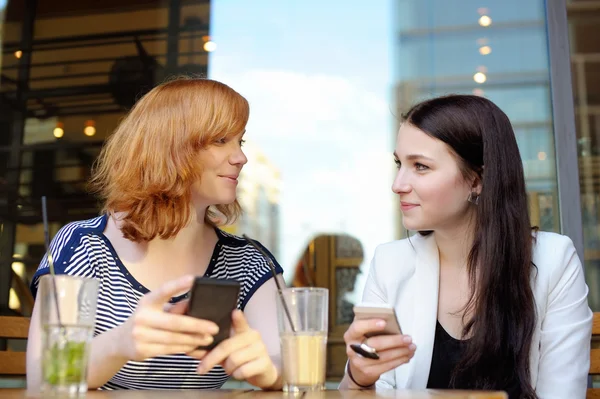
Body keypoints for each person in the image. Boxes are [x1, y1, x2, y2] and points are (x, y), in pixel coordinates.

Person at [26, 77, 284, 391]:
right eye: (220, 140)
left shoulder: (247, 260)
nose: (240, 157)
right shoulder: (84, 245)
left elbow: (289, 365)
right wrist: (119, 343)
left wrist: (270, 372)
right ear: (171, 147)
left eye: (239, 142)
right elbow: (42, 376)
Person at [339, 94, 593, 398]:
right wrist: (359, 377)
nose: (398, 184)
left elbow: (562, 393)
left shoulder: (554, 260)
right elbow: (372, 388)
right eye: (399, 163)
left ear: (478, 180)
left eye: (420, 166)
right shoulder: (390, 263)